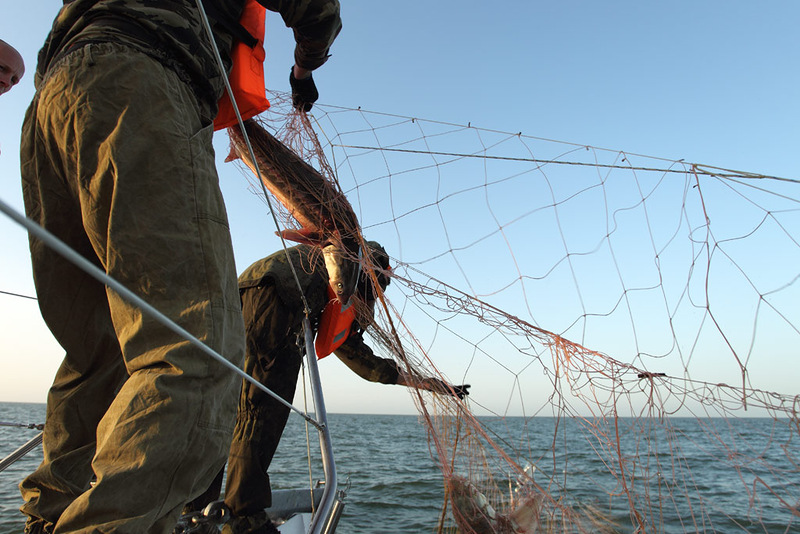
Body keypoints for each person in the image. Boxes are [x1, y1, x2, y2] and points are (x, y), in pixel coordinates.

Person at [18, 1, 341, 532]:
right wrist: (305, 69)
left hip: (52, 99)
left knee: (98, 352)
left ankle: (46, 519)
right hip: (140, 83)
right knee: (199, 352)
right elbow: (318, 10)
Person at [185, 241, 470, 534]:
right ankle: (244, 518)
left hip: (240, 293)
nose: (378, 294)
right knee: (260, 408)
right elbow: (356, 342)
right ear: (368, 274)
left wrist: (435, 386)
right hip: (278, 297)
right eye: (380, 285)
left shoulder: (335, 270)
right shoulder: (350, 264)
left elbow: (364, 361)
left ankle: (192, 508)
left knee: (221, 404)